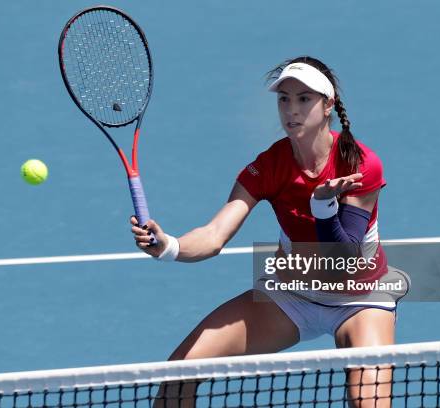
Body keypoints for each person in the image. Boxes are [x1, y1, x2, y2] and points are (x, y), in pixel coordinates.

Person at [130, 55, 399, 408]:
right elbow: (214, 236)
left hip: (358, 299)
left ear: (328, 104)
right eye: (284, 99)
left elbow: (344, 257)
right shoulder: (268, 166)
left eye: (304, 99)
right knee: (178, 373)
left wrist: (322, 207)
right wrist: (169, 245)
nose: (292, 109)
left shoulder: (360, 164)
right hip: (291, 295)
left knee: (367, 403)